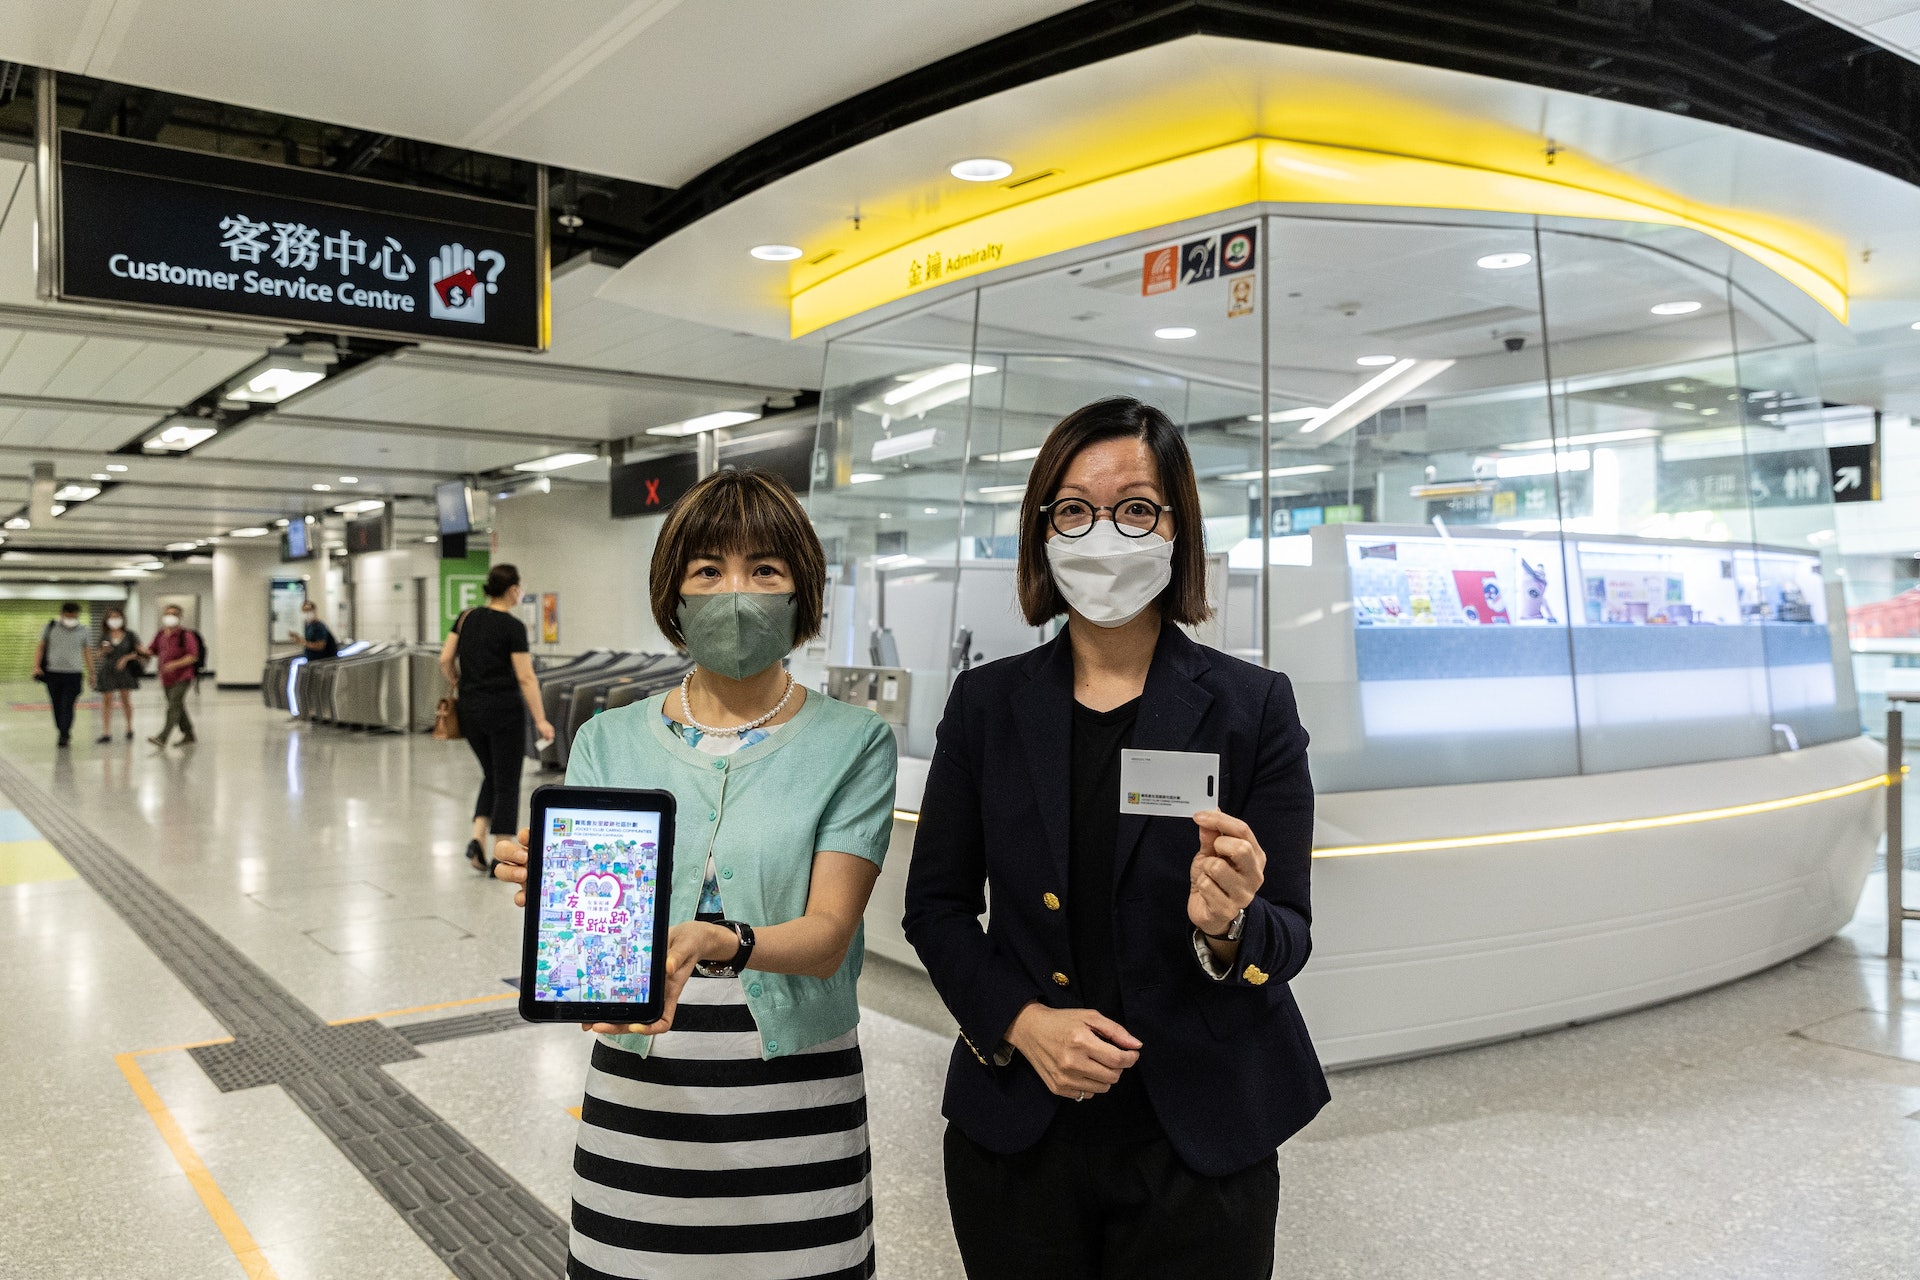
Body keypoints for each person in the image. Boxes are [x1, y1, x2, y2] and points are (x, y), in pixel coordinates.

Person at [903, 397, 1327, 1280]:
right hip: (1019, 1132)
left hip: (1201, 1141)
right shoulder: (986, 708)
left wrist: (1229, 928)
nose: (1104, 534)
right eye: (1074, 509)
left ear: (1177, 528)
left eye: (1136, 507)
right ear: (1042, 531)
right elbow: (936, 908)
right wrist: (1022, 1023)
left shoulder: (1253, 708)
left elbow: (1288, 935)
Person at [493, 468, 897, 1280]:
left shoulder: (853, 743)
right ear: (673, 592)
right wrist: (565, 916)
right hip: (646, 1088)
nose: (735, 593)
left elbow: (826, 939)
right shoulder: (609, 740)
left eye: (765, 570)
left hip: (795, 1102)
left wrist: (723, 939)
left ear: (802, 592)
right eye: (708, 570)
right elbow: (605, 937)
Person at [438, 564, 555, 874]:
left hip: (470, 709)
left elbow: (445, 658)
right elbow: (526, 678)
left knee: (491, 775)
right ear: (513, 590)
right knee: (507, 782)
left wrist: (457, 682)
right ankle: (502, 853)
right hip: (503, 711)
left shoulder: (466, 617)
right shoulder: (512, 627)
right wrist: (541, 719)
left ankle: (477, 838)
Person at [32, 602, 89, 749]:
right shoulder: (50, 627)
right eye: (68, 616)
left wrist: (92, 672)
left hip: (74, 674)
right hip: (53, 672)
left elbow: (87, 652)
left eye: (74, 616)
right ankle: (62, 729)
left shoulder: (83, 630)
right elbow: (41, 647)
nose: (71, 618)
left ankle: (65, 732)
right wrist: (36, 666)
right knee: (56, 704)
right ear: (62, 614)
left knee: (68, 704)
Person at [147, 606, 201, 747]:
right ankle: (188, 733)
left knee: (173, 706)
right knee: (177, 706)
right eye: (167, 614)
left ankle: (162, 737)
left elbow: (193, 656)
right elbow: (152, 650)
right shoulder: (161, 635)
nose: (170, 617)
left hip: (183, 676)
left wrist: (174, 664)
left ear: (179, 617)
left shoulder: (186, 635)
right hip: (166, 678)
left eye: (173, 614)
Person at [93, 606, 144, 743]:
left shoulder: (130, 635)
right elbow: (98, 654)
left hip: (125, 671)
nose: (114, 620)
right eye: (111, 617)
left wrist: (126, 658)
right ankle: (106, 732)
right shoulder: (104, 636)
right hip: (108, 670)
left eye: (117, 617)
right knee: (107, 700)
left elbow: (138, 652)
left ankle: (129, 728)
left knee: (125, 699)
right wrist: (104, 651)